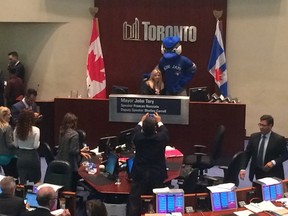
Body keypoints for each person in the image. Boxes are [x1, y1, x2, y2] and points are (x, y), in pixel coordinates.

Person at [127, 112, 169, 216]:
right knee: (156, 199)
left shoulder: (138, 138)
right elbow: (164, 130)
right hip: (157, 174)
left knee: (134, 199)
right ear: (155, 129)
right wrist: (159, 121)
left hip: (140, 173)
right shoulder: (161, 138)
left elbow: (135, 130)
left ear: (143, 129)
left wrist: (141, 121)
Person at [239, 115, 288, 183]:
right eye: (260, 124)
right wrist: (243, 168)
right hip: (257, 171)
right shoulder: (254, 137)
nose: (261, 127)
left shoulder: (279, 139)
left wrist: (273, 162)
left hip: (273, 172)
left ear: (270, 126)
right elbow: (247, 154)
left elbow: (285, 155)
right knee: (258, 191)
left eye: (264, 125)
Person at [55, 113, 91, 191]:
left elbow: (65, 147)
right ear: (73, 123)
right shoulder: (74, 134)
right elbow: (73, 151)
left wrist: (80, 151)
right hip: (70, 164)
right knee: (72, 186)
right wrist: (80, 151)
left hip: (59, 160)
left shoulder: (62, 130)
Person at [13, 109, 41, 184]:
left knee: (22, 181)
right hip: (33, 157)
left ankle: (22, 194)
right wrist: (39, 142)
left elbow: (16, 145)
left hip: (21, 157)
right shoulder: (36, 130)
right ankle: (35, 194)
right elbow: (35, 146)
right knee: (36, 181)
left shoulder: (16, 129)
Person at [0, 106, 18, 178]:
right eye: (9, 114)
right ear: (4, 116)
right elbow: (9, 144)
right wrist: (17, 142)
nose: (10, 116)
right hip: (8, 157)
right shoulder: (7, 127)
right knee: (13, 178)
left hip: (1, 156)